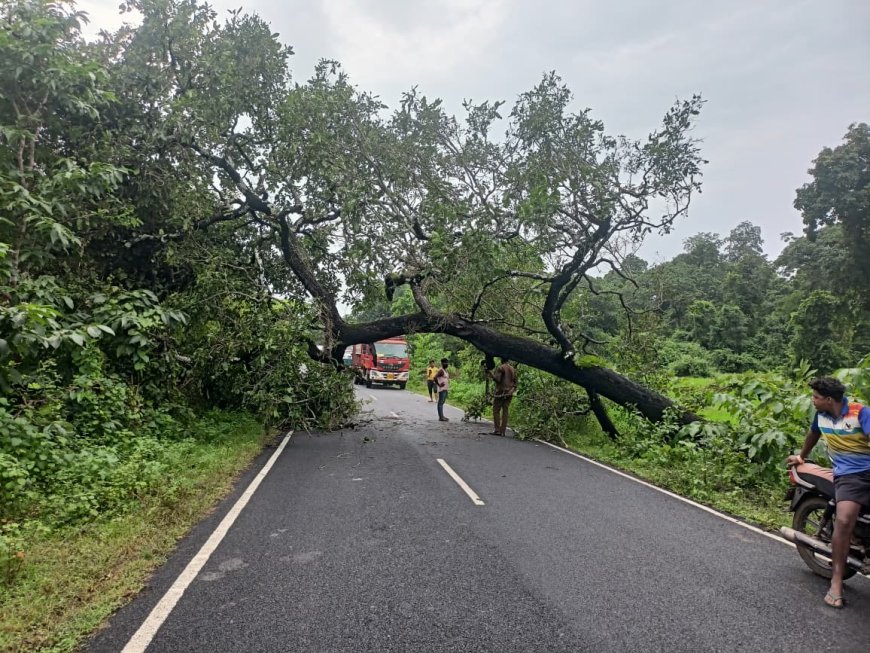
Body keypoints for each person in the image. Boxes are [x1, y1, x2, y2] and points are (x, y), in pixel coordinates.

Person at [787, 376, 870, 609]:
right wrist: (801, 456)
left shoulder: (860, 413)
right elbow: (813, 435)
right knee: (843, 520)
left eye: (815, 397)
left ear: (829, 399)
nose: (812, 400)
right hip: (849, 476)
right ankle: (836, 583)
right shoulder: (821, 416)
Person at [488, 358, 517, 436]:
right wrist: (511, 391)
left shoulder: (501, 368)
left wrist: (491, 375)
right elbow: (515, 383)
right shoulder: (512, 369)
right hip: (509, 393)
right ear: (508, 360)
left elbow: (498, 379)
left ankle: (497, 430)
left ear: (501, 360)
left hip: (501, 392)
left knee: (496, 410)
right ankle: (503, 431)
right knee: (505, 411)